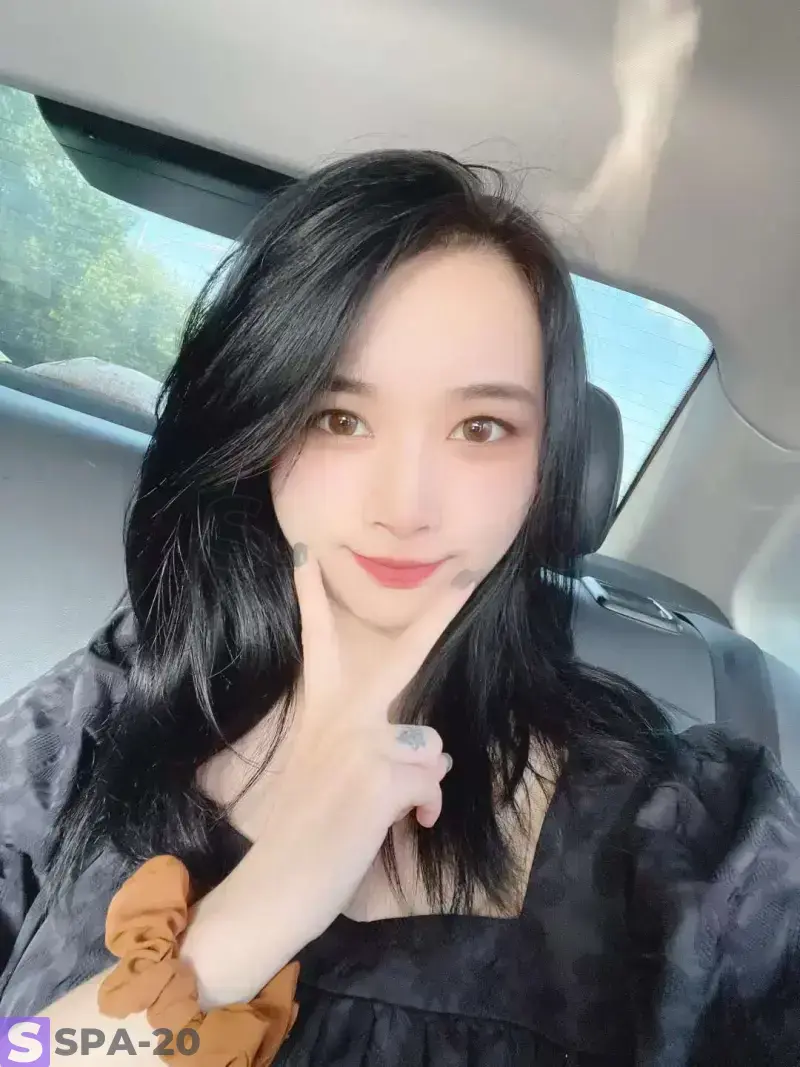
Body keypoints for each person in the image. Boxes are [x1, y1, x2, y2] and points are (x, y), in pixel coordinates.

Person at [0, 150, 798, 1066]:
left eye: (481, 428)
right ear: (258, 422)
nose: (406, 505)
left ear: (547, 466)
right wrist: (249, 920)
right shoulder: (101, 715)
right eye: (339, 417)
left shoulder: (697, 835)